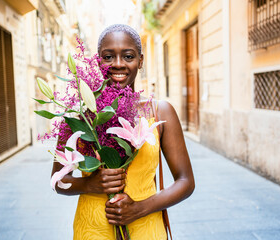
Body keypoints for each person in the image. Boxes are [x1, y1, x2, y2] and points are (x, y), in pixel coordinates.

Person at [51, 24, 195, 240]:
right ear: (97, 61)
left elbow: (186, 181)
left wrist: (140, 208)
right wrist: (90, 183)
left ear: (141, 61)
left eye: (128, 56)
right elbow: (58, 180)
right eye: (108, 57)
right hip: (92, 230)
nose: (118, 64)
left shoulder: (159, 111)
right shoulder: (80, 114)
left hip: (146, 228)